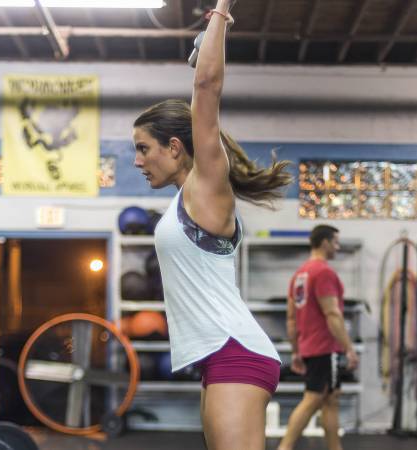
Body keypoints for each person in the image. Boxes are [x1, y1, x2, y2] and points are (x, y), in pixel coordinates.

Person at [132, 1, 293, 449]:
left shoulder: (207, 186)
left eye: (144, 148)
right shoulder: (185, 201)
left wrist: (220, 11)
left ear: (175, 147)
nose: (137, 160)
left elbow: (205, 85)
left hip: (234, 352)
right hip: (220, 358)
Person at [278, 225, 359, 450]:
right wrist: (349, 348)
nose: (337, 247)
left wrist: (296, 351)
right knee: (313, 399)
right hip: (325, 348)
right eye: (335, 242)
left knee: (330, 399)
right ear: (324, 243)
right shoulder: (323, 272)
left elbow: (291, 319)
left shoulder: (300, 274)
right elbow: (332, 313)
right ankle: (284, 448)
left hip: (310, 347)